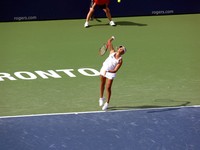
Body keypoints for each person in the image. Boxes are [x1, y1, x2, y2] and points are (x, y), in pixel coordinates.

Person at [99, 36, 126, 110]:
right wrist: (112, 38)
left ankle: (107, 103)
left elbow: (115, 70)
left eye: (122, 48)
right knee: (102, 84)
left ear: (123, 52)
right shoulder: (112, 52)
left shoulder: (120, 61)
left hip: (110, 73)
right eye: (120, 47)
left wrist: (107, 71)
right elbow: (109, 42)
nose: (120, 48)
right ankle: (101, 98)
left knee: (108, 88)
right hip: (104, 69)